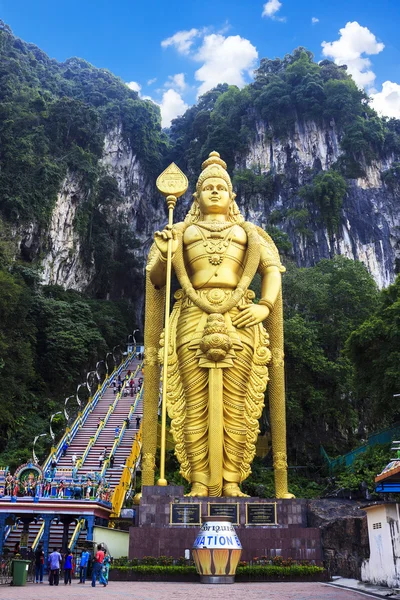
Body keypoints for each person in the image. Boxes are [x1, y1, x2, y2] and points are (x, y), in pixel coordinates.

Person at [142, 151, 293, 499]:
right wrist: (165, 252)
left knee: (237, 404)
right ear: (195, 197)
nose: (213, 192)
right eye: (207, 187)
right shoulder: (179, 230)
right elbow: (156, 279)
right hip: (192, 317)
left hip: (240, 315)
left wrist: (264, 306)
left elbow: (272, 270)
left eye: (220, 187)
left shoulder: (250, 233)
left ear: (231, 196)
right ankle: (197, 480)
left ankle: (231, 482)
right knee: (193, 402)